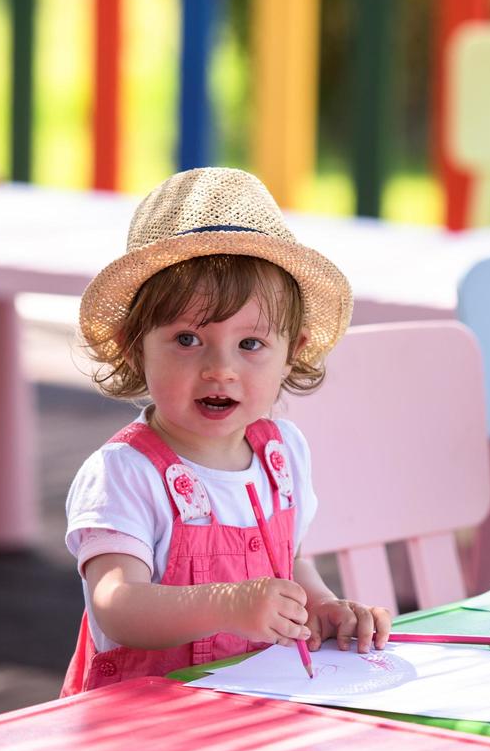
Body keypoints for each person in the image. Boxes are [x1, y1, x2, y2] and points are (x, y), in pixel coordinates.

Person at [61, 167, 391, 695]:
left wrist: (323, 607)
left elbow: (290, 564)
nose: (221, 369)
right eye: (188, 339)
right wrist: (228, 605)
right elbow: (116, 604)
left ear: (294, 352)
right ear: (132, 345)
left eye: (251, 344)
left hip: (250, 706)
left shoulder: (281, 455)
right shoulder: (124, 472)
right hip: (139, 725)